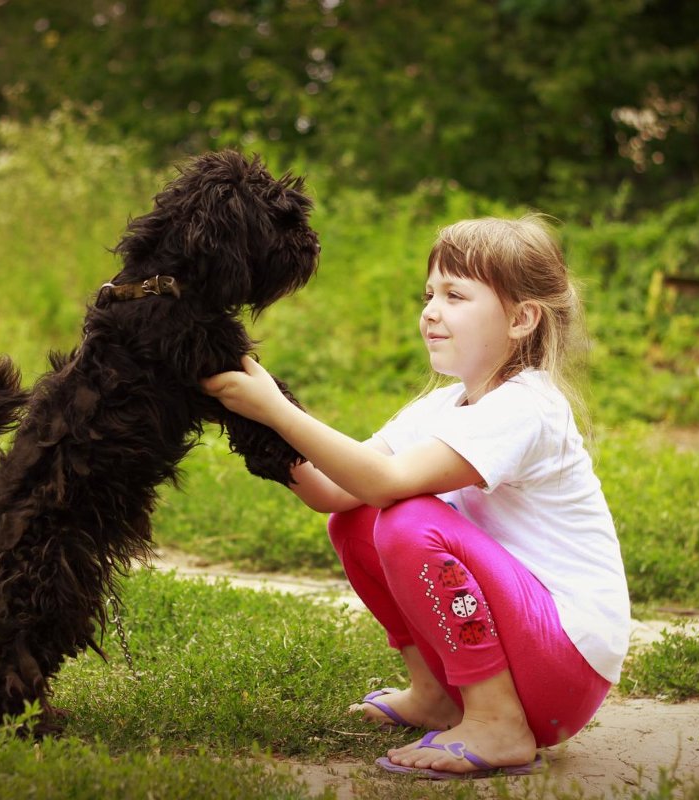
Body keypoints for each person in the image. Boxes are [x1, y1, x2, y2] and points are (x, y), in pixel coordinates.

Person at [201, 215, 630, 780]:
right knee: (356, 523)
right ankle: (437, 696)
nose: (430, 310)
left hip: (563, 663)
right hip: (522, 645)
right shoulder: (445, 405)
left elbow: (385, 484)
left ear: (523, 318)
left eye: (455, 295)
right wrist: (246, 410)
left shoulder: (527, 406)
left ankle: (499, 722)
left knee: (406, 519)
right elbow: (335, 491)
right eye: (429, 294)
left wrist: (276, 409)